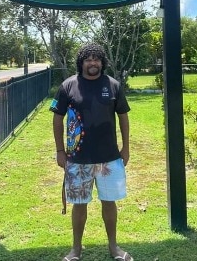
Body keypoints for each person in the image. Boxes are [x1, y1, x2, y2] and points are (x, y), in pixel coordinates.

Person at [50, 43, 132, 261]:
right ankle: (76, 249)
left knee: (109, 202)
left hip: (109, 158)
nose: (93, 62)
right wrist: (60, 150)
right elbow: (57, 118)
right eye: (88, 59)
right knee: (79, 204)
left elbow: (123, 116)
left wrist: (126, 147)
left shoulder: (113, 85)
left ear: (102, 62)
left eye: (96, 59)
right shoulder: (68, 86)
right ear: (81, 62)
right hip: (77, 159)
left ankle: (114, 247)